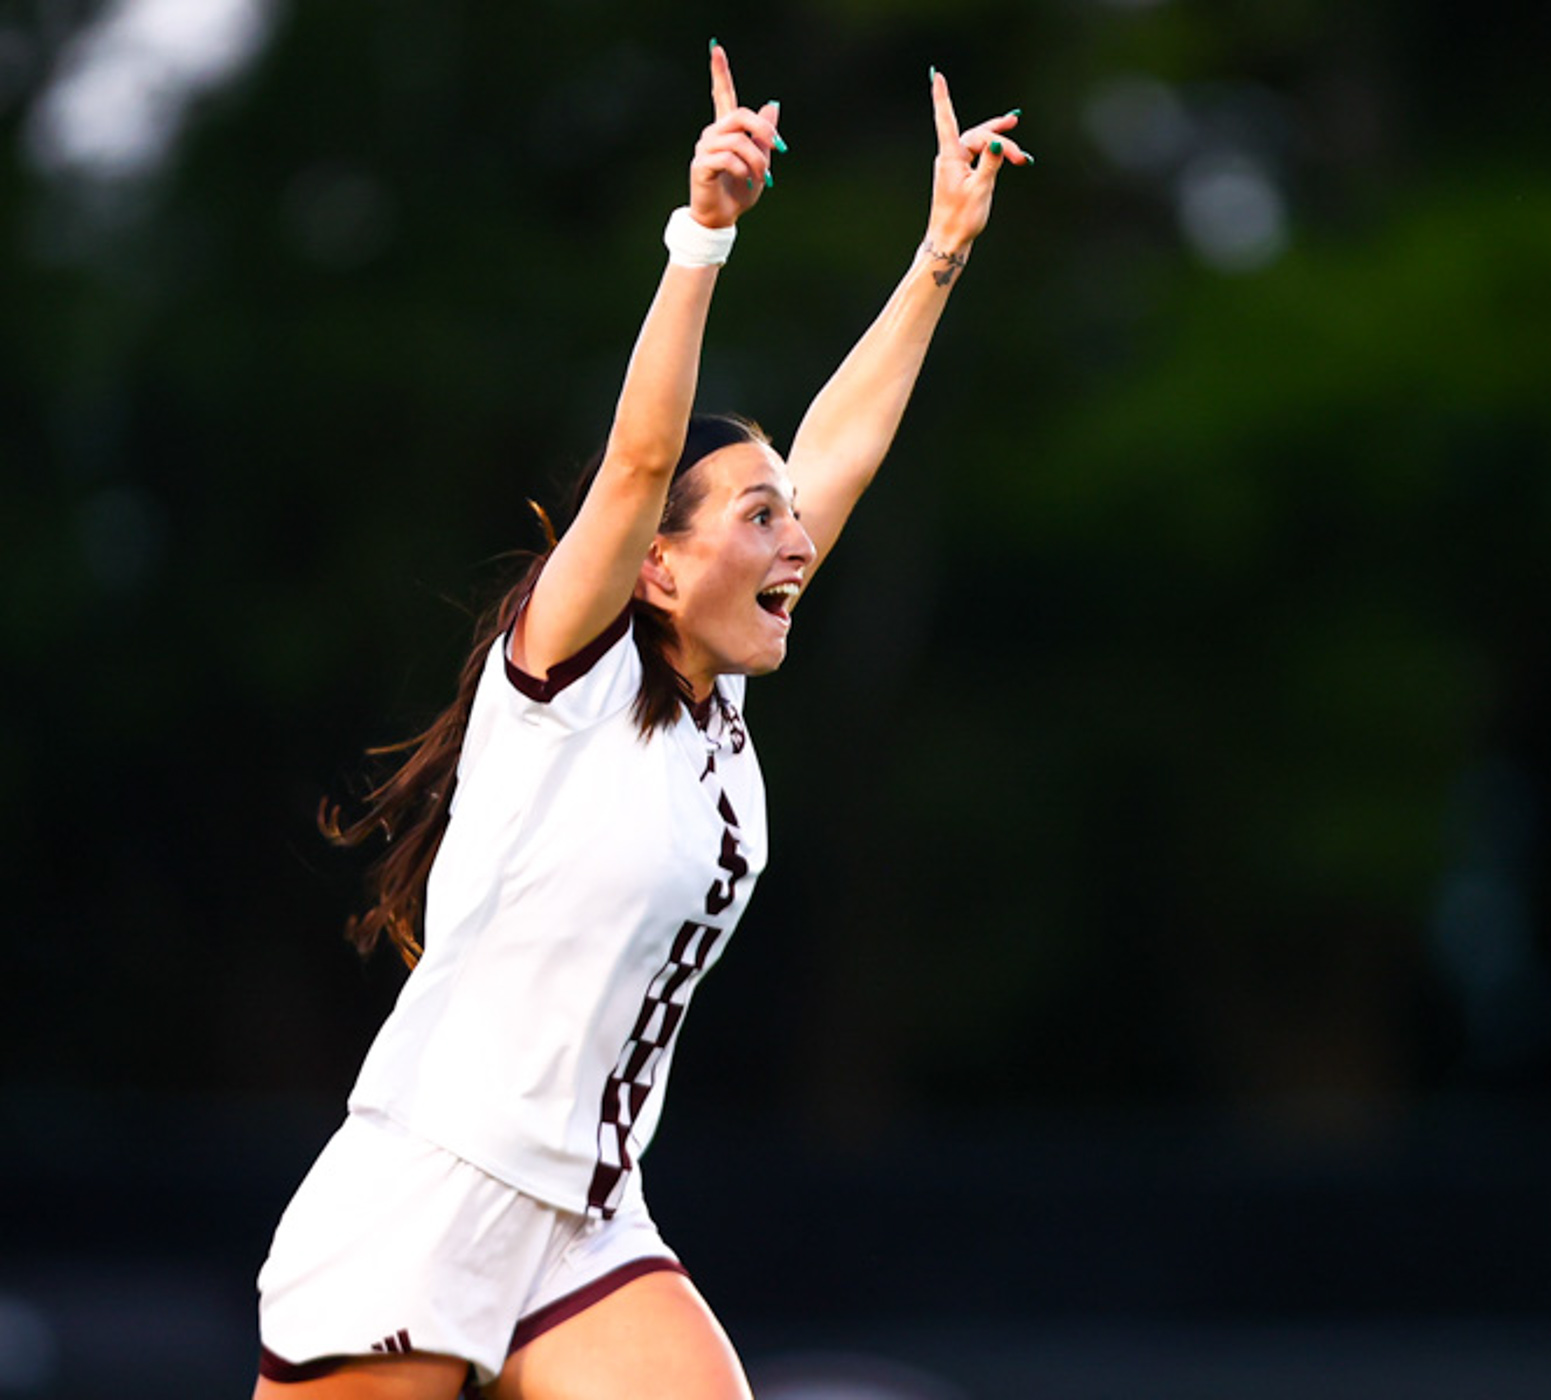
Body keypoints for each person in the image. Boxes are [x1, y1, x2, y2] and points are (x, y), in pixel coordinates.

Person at [251, 41, 1028, 1400]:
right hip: (426, 1196)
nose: (797, 537)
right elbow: (641, 460)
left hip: (586, 1224)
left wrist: (939, 252)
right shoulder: (570, 678)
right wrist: (702, 238)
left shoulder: (715, 684)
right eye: (758, 516)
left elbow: (838, 446)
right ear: (657, 567)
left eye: (791, 515)